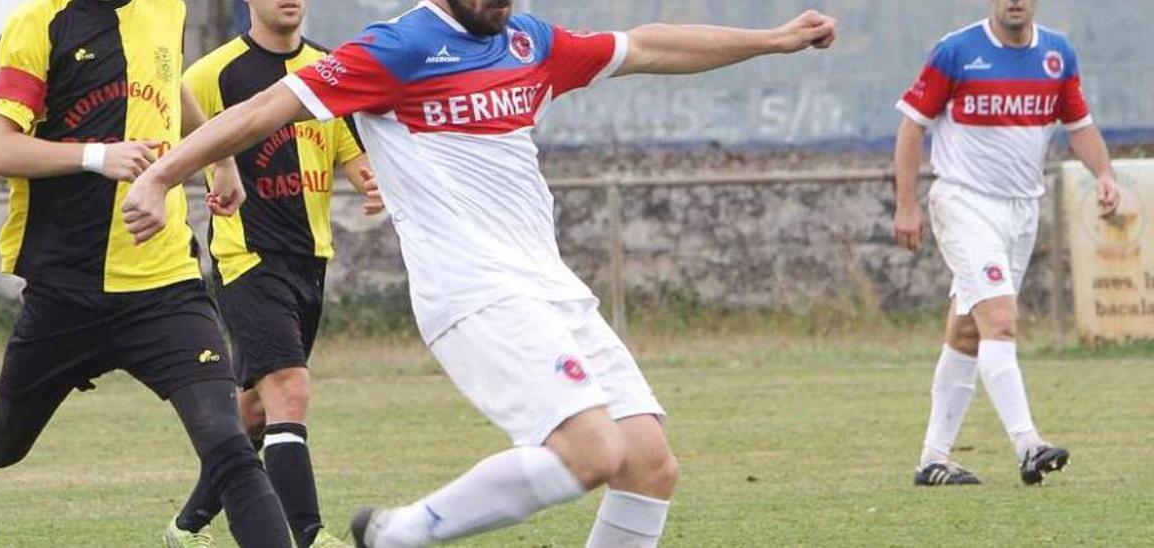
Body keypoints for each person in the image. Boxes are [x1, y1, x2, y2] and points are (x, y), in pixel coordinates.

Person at [123, 1, 837, 545]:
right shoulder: (396, 48)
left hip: (552, 289)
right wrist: (160, 178)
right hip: (474, 291)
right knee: (591, 450)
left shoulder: (527, 41)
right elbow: (258, 113)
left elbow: (647, 45)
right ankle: (399, 533)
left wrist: (772, 39)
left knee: (649, 465)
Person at [0, 1, 292, 546]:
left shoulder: (167, 8)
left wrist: (219, 157)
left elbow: (170, 81)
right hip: (66, 293)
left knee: (229, 445)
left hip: (165, 287)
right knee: (4, 444)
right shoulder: (39, 24)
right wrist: (95, 157)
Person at [166, 0, 382, 546]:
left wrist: (378, 185)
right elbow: (177, 145)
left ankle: (185, 527)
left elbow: (353, 158)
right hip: (248, 258)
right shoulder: (211, 74)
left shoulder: (328, 71)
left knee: (257, 412)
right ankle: (308, 535)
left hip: (311, 260)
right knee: (290, 390)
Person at [893, 0, 1119, 486]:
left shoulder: (1057, 54)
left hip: (1020, 210)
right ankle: (1028, 444)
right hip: (964, 202)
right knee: (1000, 321)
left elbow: (1079, 127)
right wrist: (906, 203)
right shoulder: (956, 51)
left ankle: (932, 458)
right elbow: (912, 124)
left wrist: (1103, 173)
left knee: (969, 332)